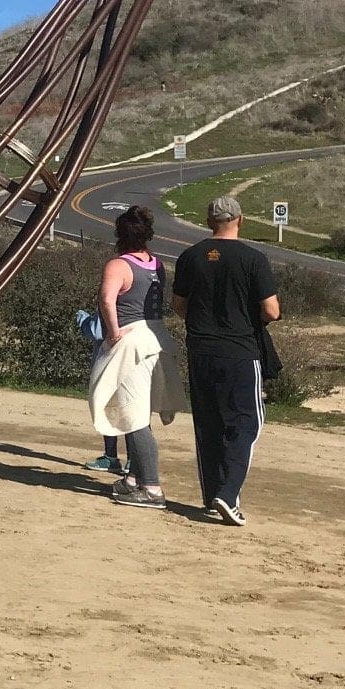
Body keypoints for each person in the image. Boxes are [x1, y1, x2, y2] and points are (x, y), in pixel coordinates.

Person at [171, 196, 280, 527]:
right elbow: (272, 310)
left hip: (200, 348)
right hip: (240, 350)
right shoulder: (253, 258)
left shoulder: (190, 256)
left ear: (208, 221)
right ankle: (229, 493)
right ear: (240, 220)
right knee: (246, 422)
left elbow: (179, 304)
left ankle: (212, 494)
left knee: (209, 422)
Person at [88, 205, 184, 509]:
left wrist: (113, 333)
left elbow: (107, 298)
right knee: (136, 411)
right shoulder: (157, 265)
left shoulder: (118, 265)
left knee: (133, 415)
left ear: (120, 234)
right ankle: (133, 477)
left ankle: (151, 487)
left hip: (132, 342)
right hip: (156, 339)